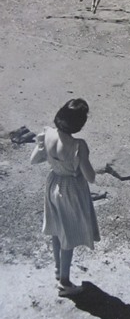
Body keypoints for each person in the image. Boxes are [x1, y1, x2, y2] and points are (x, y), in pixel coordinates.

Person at [30, 98, 100, 297]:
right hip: (71, 188)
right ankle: (65, 282)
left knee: (56, 229)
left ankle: (58, 268)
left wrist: (43, 147)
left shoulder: (48, 133)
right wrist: (80, 162)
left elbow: (33, 160)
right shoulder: (78, 145)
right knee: (68, 234)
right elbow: (91, 177)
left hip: (53, 182)